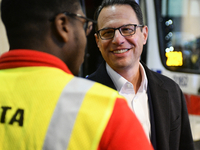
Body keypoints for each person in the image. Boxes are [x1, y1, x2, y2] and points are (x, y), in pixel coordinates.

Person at [0, 0, 154, 150]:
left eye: (127, 29)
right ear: (63, 26)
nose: (118, 40)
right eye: (84, 25)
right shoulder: (105, 109)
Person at [86, 0, 195, 150]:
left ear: (144, 34)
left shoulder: (171, 91)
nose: (118, 39)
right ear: (98, 41)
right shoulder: (83, 96)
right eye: (107, 32)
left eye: (127, 29)